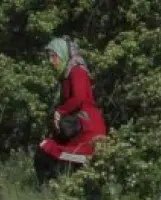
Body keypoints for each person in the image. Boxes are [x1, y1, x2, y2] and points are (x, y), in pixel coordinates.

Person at [35, 37, 107, 186]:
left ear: (62, 54)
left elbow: (79, 98)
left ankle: (51, 190)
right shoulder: (67, 75)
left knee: (48, 153)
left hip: (87, 128)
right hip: (78, 127)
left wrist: (60, 111)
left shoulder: (77, 71)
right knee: (49, 154)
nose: (50, 61)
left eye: (53, 56)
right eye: (49, 57)